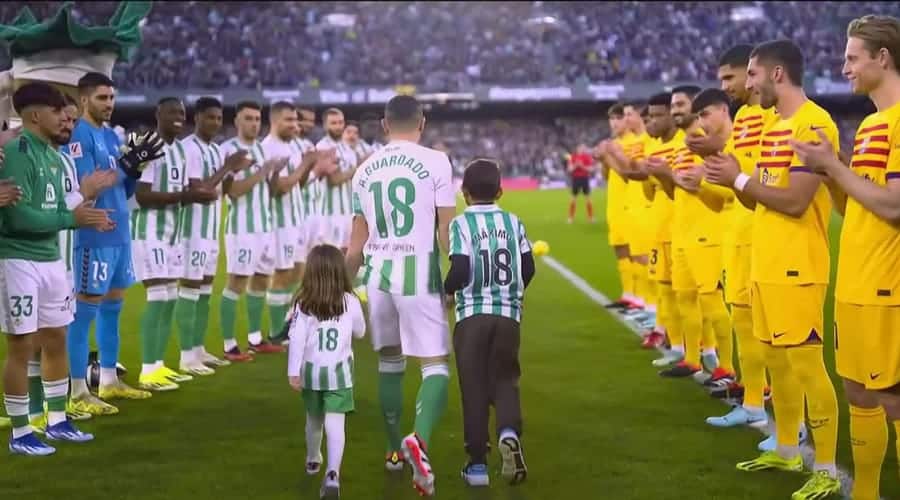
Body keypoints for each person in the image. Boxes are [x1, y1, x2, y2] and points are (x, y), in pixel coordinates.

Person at [705, 39, 842, 499]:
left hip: (797, 265)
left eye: (752, 74)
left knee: (806, 366)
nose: (747, 84)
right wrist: (731, 172)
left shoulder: (812, 123)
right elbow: (758, 193)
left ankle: (824, 465)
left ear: (777, 74)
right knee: (778, 363)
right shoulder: (773, 126)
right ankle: (786, 448)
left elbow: (797, 201)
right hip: (766, 261)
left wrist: (740, 179)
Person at [791, 15, 900, 500]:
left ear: (883, 57)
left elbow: (895, 207)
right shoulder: (874, 123)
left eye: (853, 57)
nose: (844, 67)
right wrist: (831, 174)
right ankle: (868, 492)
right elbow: (859, 204)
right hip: (855, 281)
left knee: (894, 400)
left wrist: (833, 165)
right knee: (859, 391)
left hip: (886, 286)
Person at [346, 95, 456, 496]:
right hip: (420, 275)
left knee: (390, 363)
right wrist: (456, 277)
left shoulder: (363, 170)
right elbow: (446, 230)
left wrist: (338, 289)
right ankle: (419, 440)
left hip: (377, 278)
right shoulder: (436, 162)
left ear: (385, 124)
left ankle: (393, 451)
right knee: (435, 366)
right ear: (422, 122)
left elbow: (355, 246)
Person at [0, 82, 114, 455]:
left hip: (50, 259)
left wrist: (75, 213)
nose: (66, 119)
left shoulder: (52, 155)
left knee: (56, 339)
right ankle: (20, 432)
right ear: (36, 115)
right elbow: (18, 218)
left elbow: (51, 210)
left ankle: (57, 420)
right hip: (18, 259)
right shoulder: (17, 153)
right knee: (21, 345)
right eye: (57, 112)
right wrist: (71, 217)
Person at [26, 93, 116, 431]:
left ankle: (49, 412)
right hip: (32, 260)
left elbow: (66, 209)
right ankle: (34, 414)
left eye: (72, 120)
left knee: (50, 340)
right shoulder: (29, 156)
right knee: (31, 342)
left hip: (59, 260)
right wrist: (85, 191)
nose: (68, 125)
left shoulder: (61, 159)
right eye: (63, 118)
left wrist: (91, 214)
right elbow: (42, 212)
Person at [68, 72, 156, 413]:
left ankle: (108, 379)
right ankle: (77, 391)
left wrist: (133, 171)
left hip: (120, 231)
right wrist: (125, 166)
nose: (109, 104)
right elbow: (91, 184)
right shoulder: (81, 135)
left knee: (114, 306)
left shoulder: (110, 135)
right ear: (84, 99)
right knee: (85, 309)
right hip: (95, 232)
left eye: (112, 98)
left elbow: (122, 189)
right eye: (102, 98)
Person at [445, 158, 533, 487]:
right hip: (508, 317)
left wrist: (446, 291)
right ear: (500, 191)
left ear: (464, 192)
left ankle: (478, 465)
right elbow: (528, 269)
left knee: (475, 388)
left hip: (472, 317)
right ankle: (509, 432)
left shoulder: (460, 224)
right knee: (506, 380)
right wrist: (511, 294)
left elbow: (460, 270)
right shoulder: (514, 222)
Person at [133, 97, 219, 391]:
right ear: (158, 113)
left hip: (173, 235)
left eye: (182, 112)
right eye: (172, 111)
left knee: (169, 299)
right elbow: (141, 195)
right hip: (150, 233)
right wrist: (186, 197)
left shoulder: (180, 152)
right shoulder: (147, 145)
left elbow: (185, 189)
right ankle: (147, 369)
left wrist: (193, 194)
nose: (178, 117)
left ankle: (158, 365)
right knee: (158, 299)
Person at [657, 85, 726, 381]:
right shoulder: (683, 145)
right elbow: (678, 192)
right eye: (673, 105)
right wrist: (666, 175)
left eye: (681, 105)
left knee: (711, 300)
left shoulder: (708, 143)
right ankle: (693, 359)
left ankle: (728, 366)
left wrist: (674, 176)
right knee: (684, 296)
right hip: (682, 232)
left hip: (706, 232)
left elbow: (707, 186)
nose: (676, 110)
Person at [178, 97, 253, 366]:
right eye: (210, 117)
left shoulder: (214, 150)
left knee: (206, 291)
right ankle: (186, 355)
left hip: (211, 230)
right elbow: (201, 191)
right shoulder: (189, 149)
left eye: (219, 118)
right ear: (196, 117)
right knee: (190, 289)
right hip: (192, 230)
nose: (215, 123)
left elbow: (224, 191)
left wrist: (234, 172)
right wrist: (227, 167)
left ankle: (198, 349)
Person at [287, 244, 366, 499]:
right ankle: (333, 473)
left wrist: (293, 372)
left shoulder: (304, 303)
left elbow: (296, 339)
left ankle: (312, 459)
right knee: (336, 423)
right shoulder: (350, 301)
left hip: (312, 373)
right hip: (339, 374)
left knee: (314, 419)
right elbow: (361, 332)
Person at [219, 101, 287, 357]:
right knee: (236, 282)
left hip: (265, 227)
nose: (254, 124)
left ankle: (256, 338)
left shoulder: (260, 149)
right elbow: (233, 192)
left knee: (260, 281)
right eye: (248, 118)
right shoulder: (229, 151)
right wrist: (264, 171)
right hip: (242, 230)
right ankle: (228, 344)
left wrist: (274, 174)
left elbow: (268, 191)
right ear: (237, 120)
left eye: (258, 119)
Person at [260, 102, 317, 347]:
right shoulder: (268, 148)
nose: (295, 125)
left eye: (295, 120)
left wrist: (308, 166)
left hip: (297, 220)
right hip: (279, 223)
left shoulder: (290, 146)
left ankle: (287, 323)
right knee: (282, 276)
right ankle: (275, 333)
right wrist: (306, 164)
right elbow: (279, 188)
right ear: (274, 121)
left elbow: (297, 184)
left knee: (299, 274)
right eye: (289, 120)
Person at [640, 92, 686, 369]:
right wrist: (650, 175)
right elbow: (649, 193)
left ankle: (703, 350)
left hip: (681, 229)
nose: (652, 122)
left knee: (686, 294)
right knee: (666, 290)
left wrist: (665, 175)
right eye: (650, 117)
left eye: (658, 116)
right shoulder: (653, 150)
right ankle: (677, 345)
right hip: (659, 230)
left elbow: (680, 191)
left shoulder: (684, 144)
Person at [597, 104, 634, 311]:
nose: (614, 123)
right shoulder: (613, 143)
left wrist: (611, 155)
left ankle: (639, 297)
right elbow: (606, 175)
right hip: (615, 204)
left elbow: (630, 175)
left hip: (630, 204)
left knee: (634, 252)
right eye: (611, 119)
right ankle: (627, 294)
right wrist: (604, 159)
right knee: (620, 250)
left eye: (618, 118)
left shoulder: (633, 143)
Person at [317, 108, 361, 251]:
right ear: (325, 125)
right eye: (333, 123)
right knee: (331, 256)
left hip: (348, 210)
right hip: (330, 213)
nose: (338, 126)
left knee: (347, 254)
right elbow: (334, 180)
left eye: (340, 122)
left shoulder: (348, 149)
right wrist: (357, 169)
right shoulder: (322, 147)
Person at [566, 143, 595, 224]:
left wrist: (582, 166)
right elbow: (569, 169)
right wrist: (576, 165)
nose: (582, 149)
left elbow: (591, 169)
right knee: (573, 199)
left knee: (588, 199)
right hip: (575, 179)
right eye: (581, 148)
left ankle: (591, 218)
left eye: (583, 148)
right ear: (577, 148)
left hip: (585, 179)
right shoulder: (573, 157)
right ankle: (570, 218)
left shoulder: (587, 157)